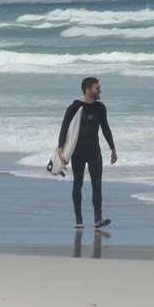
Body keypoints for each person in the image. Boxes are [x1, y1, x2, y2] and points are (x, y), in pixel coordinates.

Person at [57, 76, 117, 229]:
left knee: (97, 184)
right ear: (88, 90)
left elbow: (105, 128)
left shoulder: (100, 108)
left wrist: (112, 148)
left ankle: (98, 218)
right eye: (97, 88)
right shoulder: (74, 108)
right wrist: (61, 149)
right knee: (78, 184)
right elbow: (64, 129)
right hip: (78, 152)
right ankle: (79, 220)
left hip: (94, 151)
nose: (100, 90)